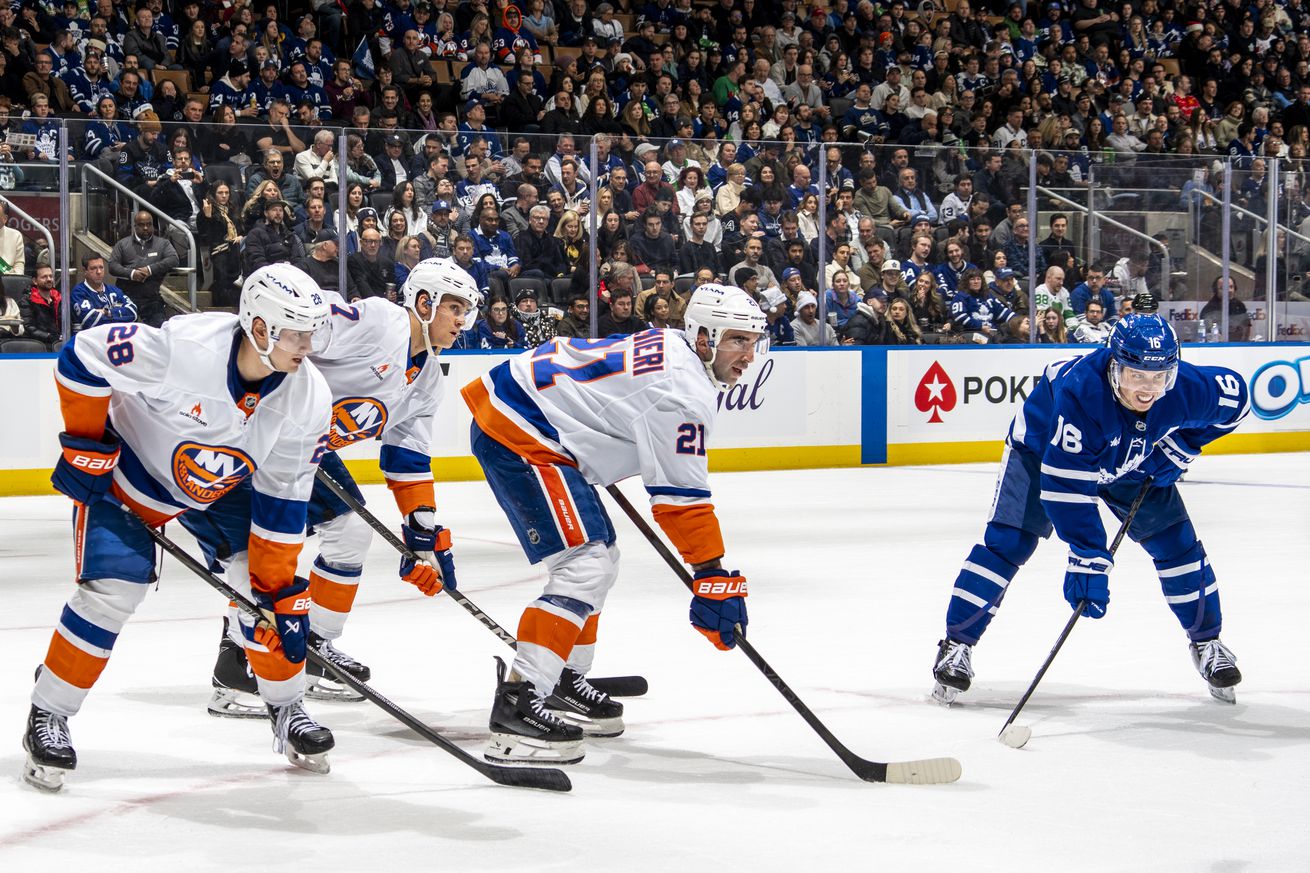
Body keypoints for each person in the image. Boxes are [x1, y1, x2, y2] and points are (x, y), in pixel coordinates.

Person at [22, 265, 335, 792]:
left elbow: (282, 500)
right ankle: (48, 712)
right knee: (111, 593)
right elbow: (82, 357)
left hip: (220, 486)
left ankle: (287, 708)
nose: (308, 345)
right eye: (296, 332)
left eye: (312, 331)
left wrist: (277, 586)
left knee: (261, 592)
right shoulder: (183, 350)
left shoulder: (309, 398)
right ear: (258, 328)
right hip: (131, 475)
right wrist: (85, 442)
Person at [460, 283, 766, 763]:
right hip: (520, 432)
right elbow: (681, 501)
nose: (748, 354)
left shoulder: (676, 345)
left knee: (601, 557)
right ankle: (518, 705)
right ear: (704, 336)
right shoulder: (683, 390)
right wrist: (712, 576)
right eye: (737, 340)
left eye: (753, 341)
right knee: (585, 566)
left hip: (527, 413)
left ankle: (561, 679)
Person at [184, 260, 491, 714]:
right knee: (253, 557)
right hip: (251, 431)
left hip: (303, 449)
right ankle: (237, 668)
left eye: (466, 310)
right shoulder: (378, 323)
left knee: (350, 531)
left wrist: (422, 531)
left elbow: (406, 454)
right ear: (424, 303)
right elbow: (300, 324)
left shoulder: (427, 378)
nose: (462, 320)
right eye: (454, 308)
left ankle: (312, 648)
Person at [931, 306, 1250, 707]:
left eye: (1159, 377)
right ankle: (957, 645)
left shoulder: (1184, 388)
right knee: (1008, 544)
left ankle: (1208, 644)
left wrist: (1182, 447)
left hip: (1132, 458)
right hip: (1041, 454)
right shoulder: (1082, 392)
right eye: (1136, 376)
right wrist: (1087, 553)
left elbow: (1237, 399)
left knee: (1177, 547)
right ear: (1115, 367)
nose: (1147, 390)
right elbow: (1066, 486)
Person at [108, 211, 179, 327]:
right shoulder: (122, 244)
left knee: (159, 332)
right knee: (122, 334)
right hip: (126, 298)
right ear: (134, 226)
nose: (145, 228)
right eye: (141, 225)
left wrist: (150, 269)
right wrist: (132, 273)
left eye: (149, 224)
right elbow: (112, 266)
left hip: (151, 298)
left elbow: (173, 259)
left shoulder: (163, 244)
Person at [71, 254, 136, 331]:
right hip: (89, 341)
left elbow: (133, 312)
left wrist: (107, 312)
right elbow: (91, 320)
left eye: (101, 267)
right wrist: (119, 315)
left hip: (113, 339)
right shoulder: (78, 292)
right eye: (93, 268)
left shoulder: (114, 290)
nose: (98, 272)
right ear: (85, 271)